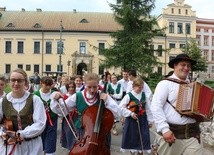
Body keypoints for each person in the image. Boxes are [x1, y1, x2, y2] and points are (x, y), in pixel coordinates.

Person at [50, 73, 121, 152]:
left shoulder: (103, 96)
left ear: (98, 84)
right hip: (83, 132)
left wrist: (107, 103)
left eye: (95, 87)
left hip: (100, 132)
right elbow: (62, 109)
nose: (92, 90)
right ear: (85, 84)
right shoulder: (78, 96)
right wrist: (55, 97)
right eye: (89, 87)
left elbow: (117, 113)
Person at [151, 54, 203, 155]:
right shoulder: (165, 84)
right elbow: (156, 106)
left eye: (188, 66)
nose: (186, 68)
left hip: (193, 134)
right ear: (175, 65)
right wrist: (164, 129)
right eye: (183, 65)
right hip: (173, 134)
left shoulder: (193, 85)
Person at [0, 68, 46, 155]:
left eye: (19, 80)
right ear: (9, 82)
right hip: (10, 145)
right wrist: (3, 133)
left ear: (25, 82)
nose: (16, 83)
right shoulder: (3, 101)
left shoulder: (35, 100)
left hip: (32, 146)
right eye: (13, 80)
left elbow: (40, 123)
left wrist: (21, 134)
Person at [119, 76, 153, 155]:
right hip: (131, 121)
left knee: (142, 141)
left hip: (143, 121)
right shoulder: (128, 96)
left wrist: (150, 121)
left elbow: (148, 109)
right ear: (133, 86)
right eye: (138, 87)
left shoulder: (144, 96)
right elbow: (121, 107)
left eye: (141, 87)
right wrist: (130, 113)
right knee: (132, 140)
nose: (140, 89)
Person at [34, 76, 58, 155]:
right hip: (39, 120)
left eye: (49, 85)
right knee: (39, 138)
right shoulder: (35, 95)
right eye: (46, 85)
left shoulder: (54, 93)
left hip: (52, 119)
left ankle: (49, 153)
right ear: (41, 84)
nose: (48, 87)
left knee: (51, 138)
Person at [60, 81, 77, 150]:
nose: (71, 89)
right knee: (68, 133)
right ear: (67, 88)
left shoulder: (77, 95)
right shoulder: (64, 96)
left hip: (76, 117)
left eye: (73, 87)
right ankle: (70, 148)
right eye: (69, 87)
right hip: (68, 118)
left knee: (77, 133)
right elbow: (61, 109)